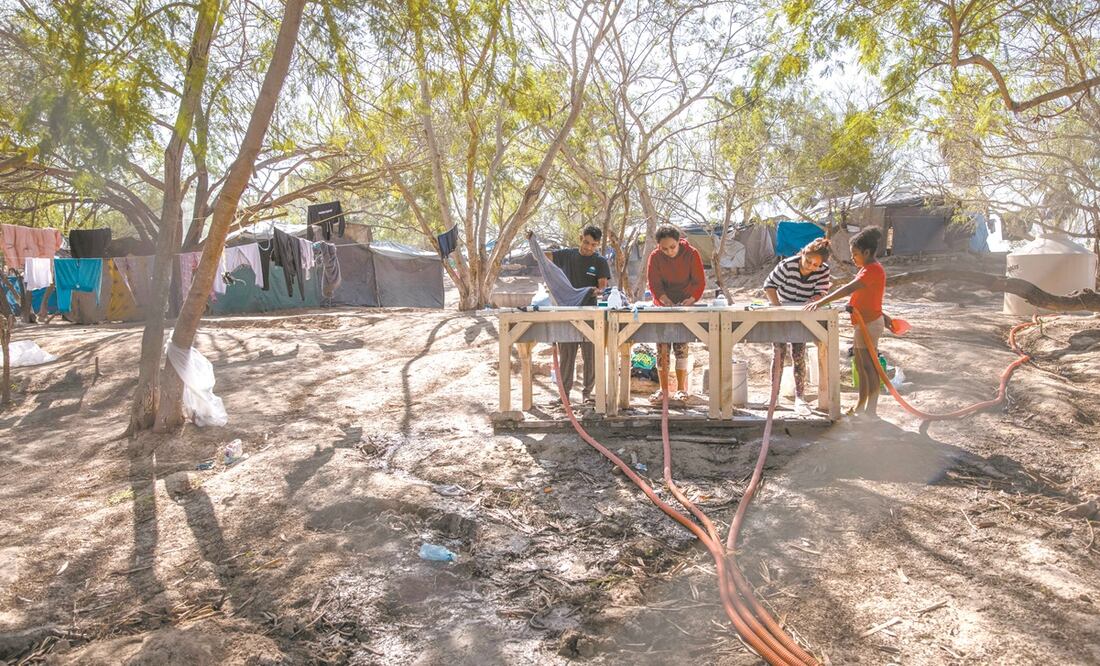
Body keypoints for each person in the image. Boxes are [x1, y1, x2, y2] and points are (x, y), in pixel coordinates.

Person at [805, 227, 892, 418]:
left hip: (869, 324)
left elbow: (848, 289)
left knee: (869, 366)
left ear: (867, 252)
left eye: (855, 254)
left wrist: (821, 301)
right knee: (861, 366)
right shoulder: (866, 270)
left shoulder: (872, 270)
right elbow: (868, 296)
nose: (852, 258)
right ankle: (862, 405)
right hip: (863, 322)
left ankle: (871, 410)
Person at [763, 237, 832, 413]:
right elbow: (769, 286)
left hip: (804, 314)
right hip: (782, 309)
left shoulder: (823, 271)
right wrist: (778, 308)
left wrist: (814, 300)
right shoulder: (787, 265)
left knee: (798, 354)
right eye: (808, 261)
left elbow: (822, 293)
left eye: (816, 265)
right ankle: (774, 396)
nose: (811, 267)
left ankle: (800, 396)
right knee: (778, 352)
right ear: (803, 253)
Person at [548, 225, 610, 403]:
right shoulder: (566, 255)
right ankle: (564, 395)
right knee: (566, 355)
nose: (588, 247)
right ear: (580, 238)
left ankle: (588, 395)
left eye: (593, 245)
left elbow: (602, 287)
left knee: (590, 355)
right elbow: (545, 258)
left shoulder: (600, 262)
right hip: (567, 313)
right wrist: (534, 244)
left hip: (590, 314)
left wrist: (595, 291)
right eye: (586, 242)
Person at [646, 224, 706, 404]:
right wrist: (664, 299)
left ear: (679, 241)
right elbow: (654, 283)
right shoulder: (655, 257)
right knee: (662, 349)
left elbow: (699, 281)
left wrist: (692, 298)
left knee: (681, 347)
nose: (669, 251)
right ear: (658, 246)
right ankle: (663, 389)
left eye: (672, 247)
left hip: (685, 303)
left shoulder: (692, 253)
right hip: (663, 305)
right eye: (664, 248)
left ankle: (681, 389)